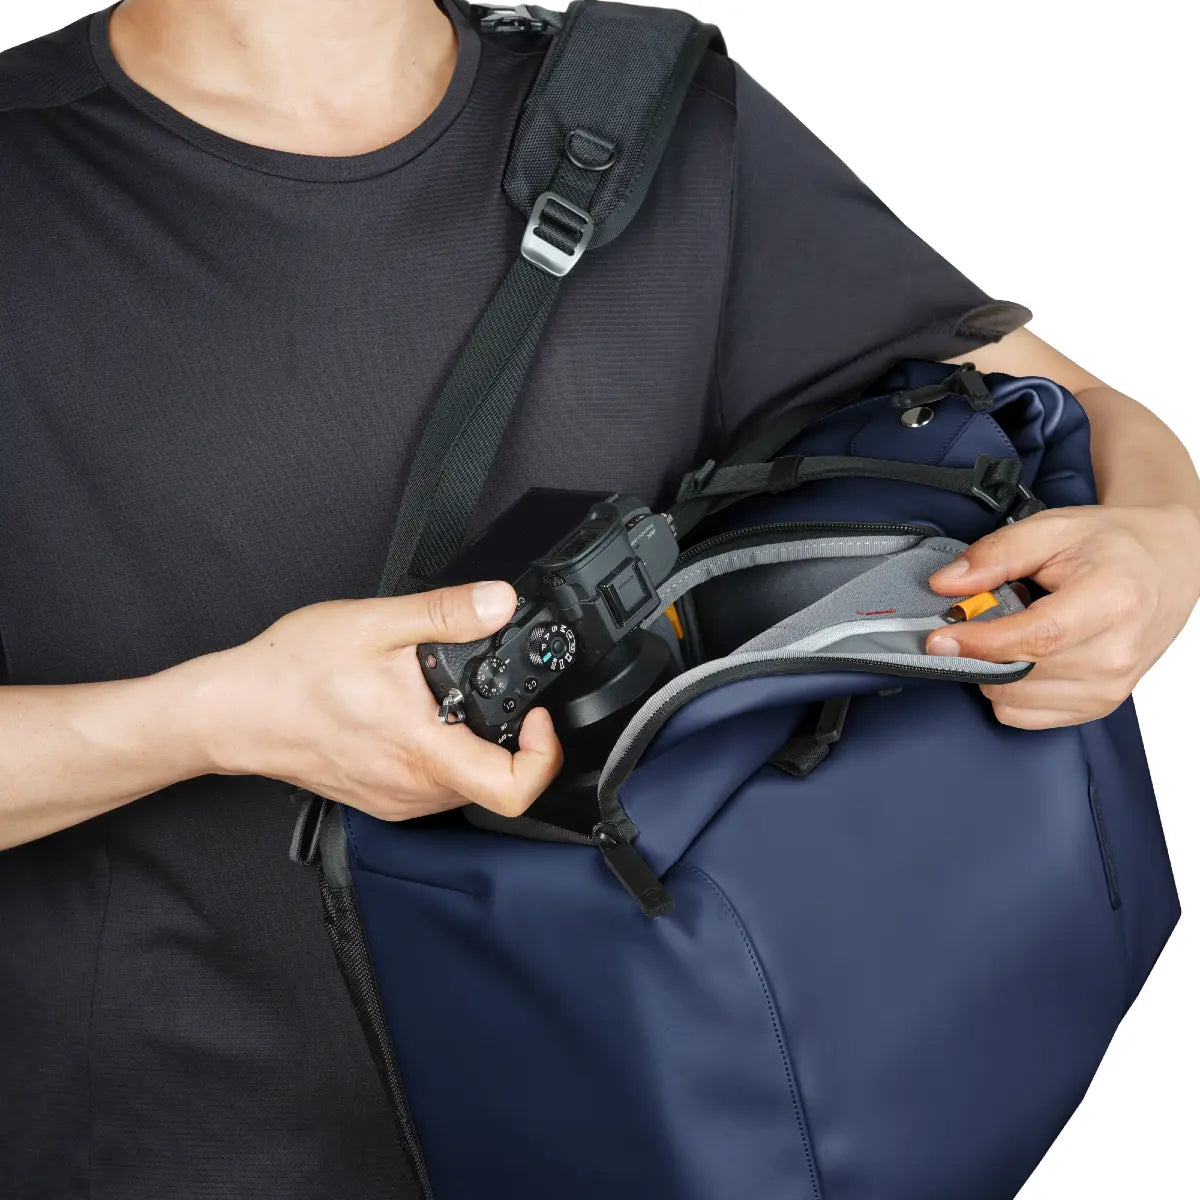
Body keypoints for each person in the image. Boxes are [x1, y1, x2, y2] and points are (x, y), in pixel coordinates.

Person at [1, 1, 1196, 1196]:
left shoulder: (649, 117)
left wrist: (1161, 548)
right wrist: (209, 719)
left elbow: (1087, 420)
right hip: (152, 1150)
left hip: (644, 1129)